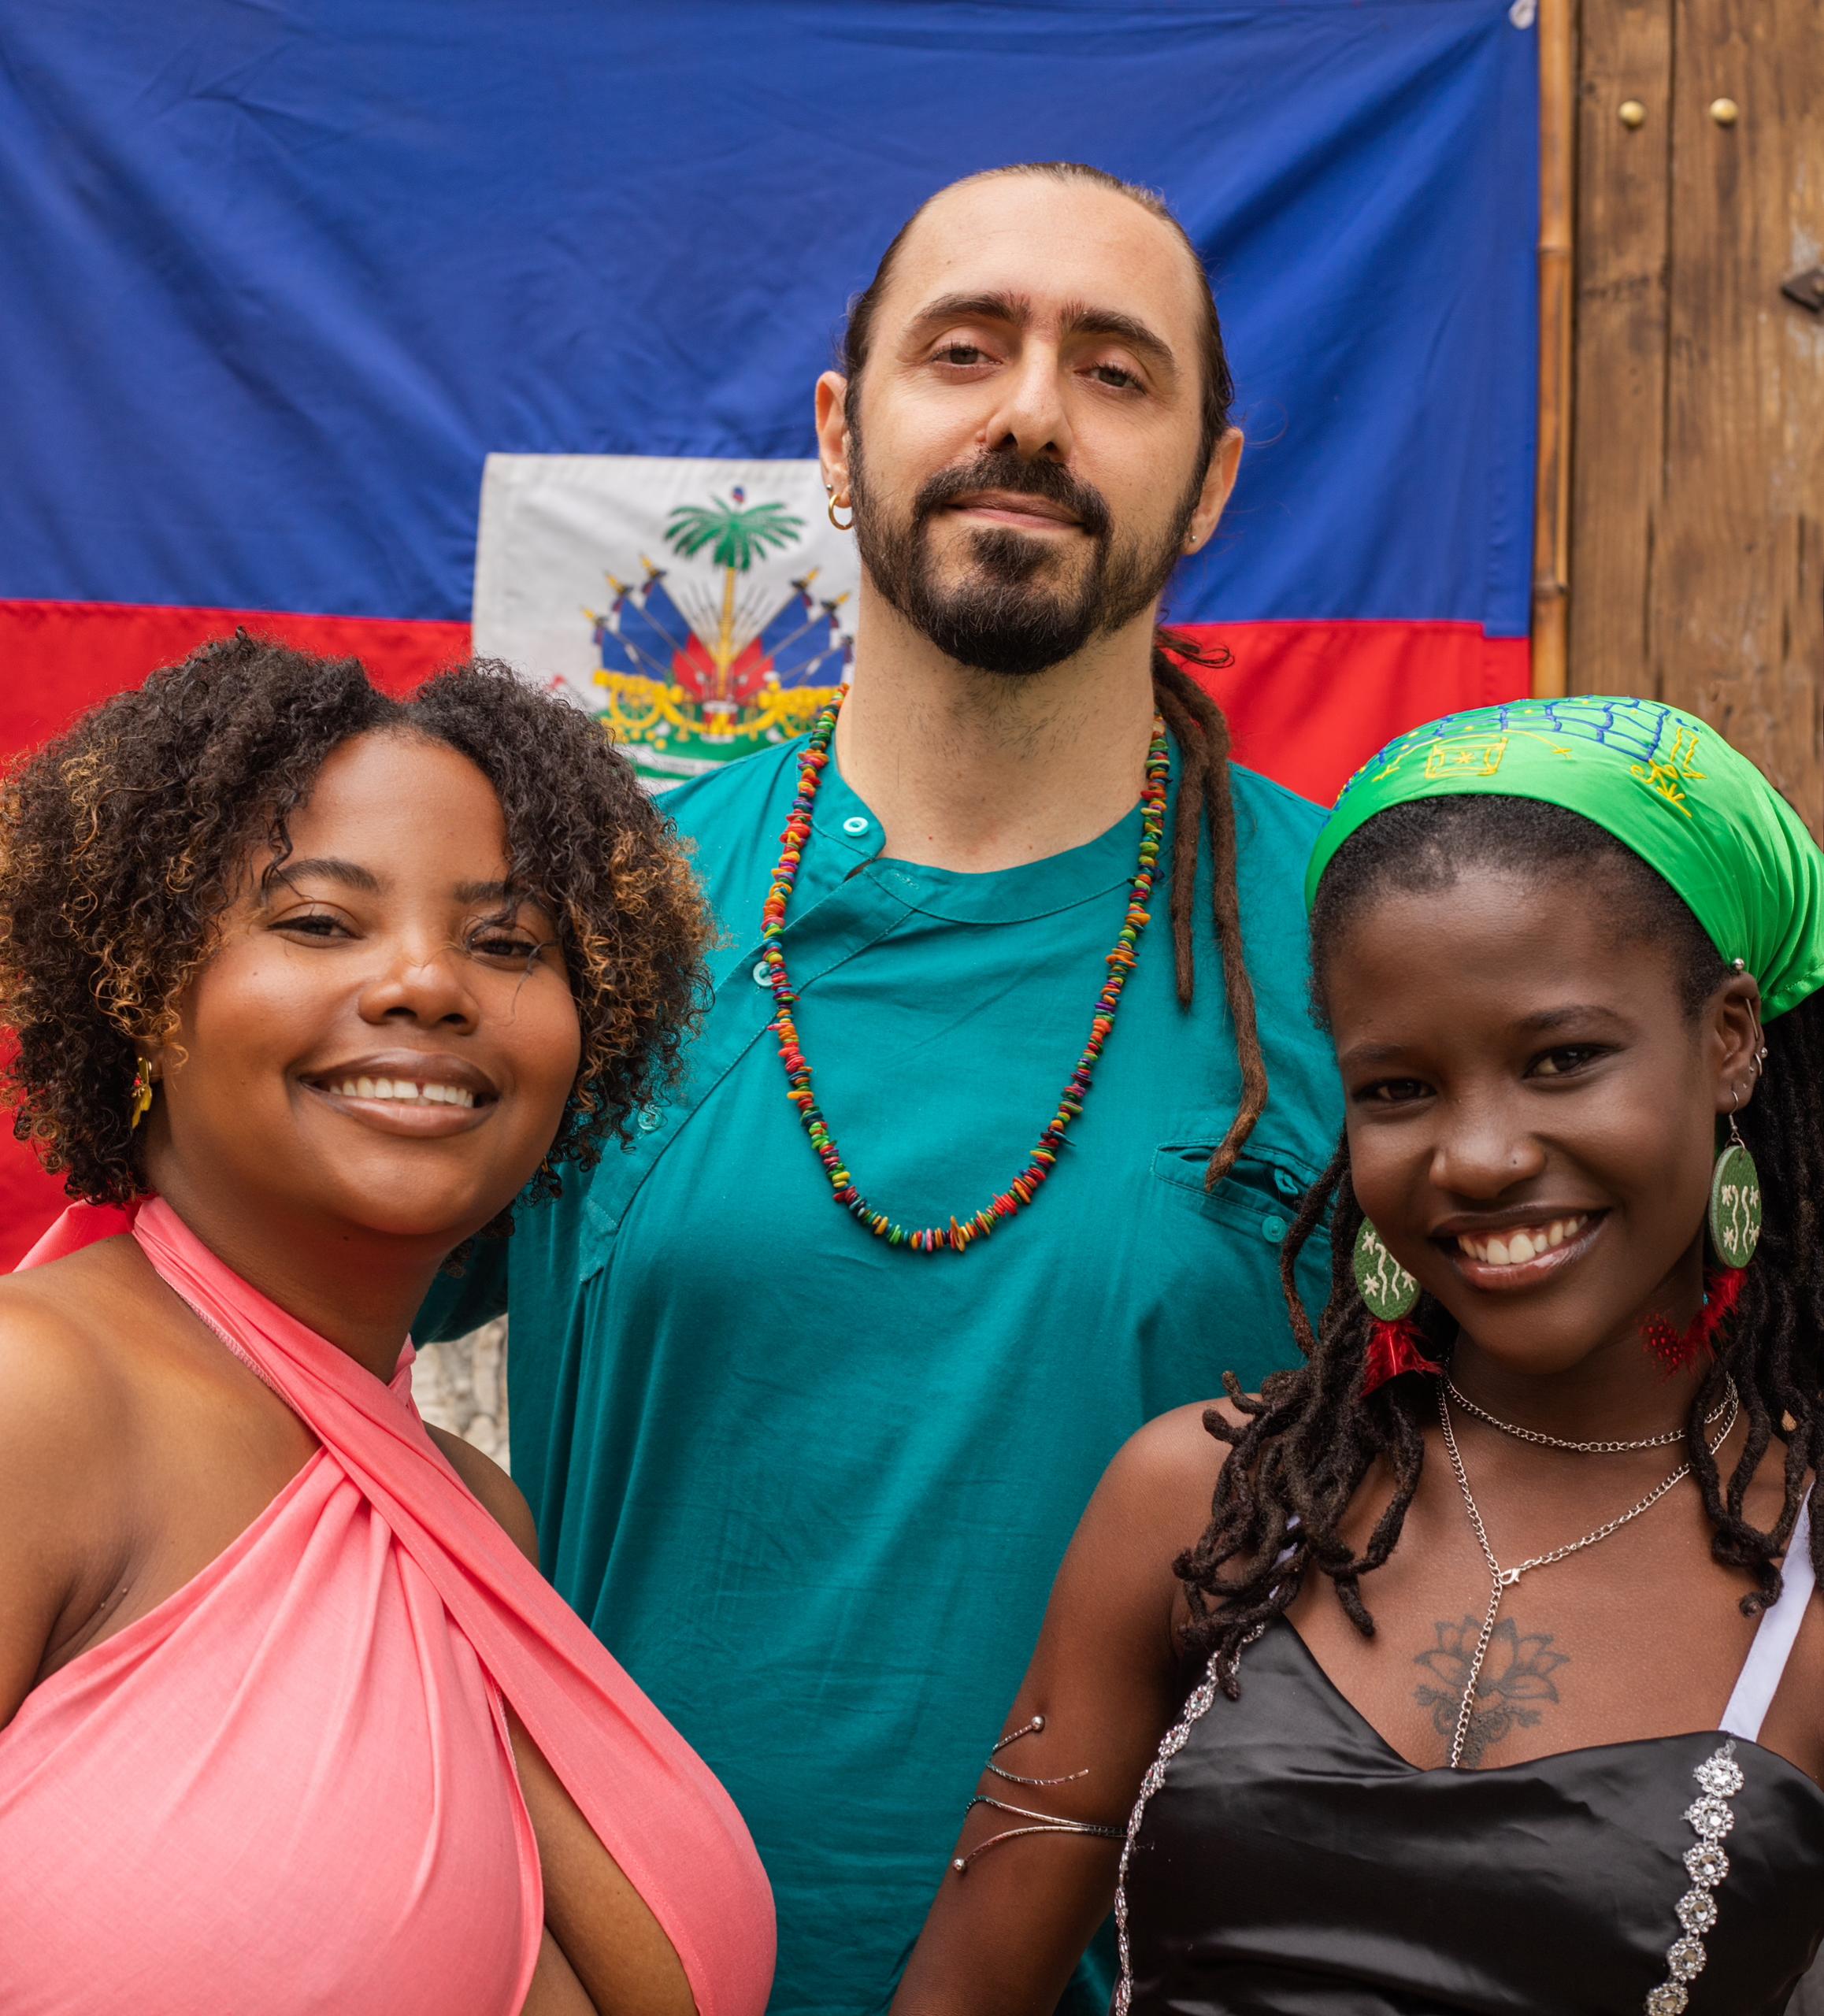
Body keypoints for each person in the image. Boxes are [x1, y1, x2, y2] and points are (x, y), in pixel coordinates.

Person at [419, 161, 1340, 2013]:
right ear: (842, 436)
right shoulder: (594, 922)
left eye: (1114, 370)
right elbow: (229, 1349)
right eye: (966, 347)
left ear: (1213, 480)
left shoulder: (1361, 946)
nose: (1026, 411)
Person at [892, 695, 1824, 2016]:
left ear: (1729, 1038)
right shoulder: (1208, 1502)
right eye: (1398, 1089)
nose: (1481, 1157)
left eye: (1562, 1060)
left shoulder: (1806, 1570)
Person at [0, 636, 774, 2016]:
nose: (431, 983)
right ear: (135, 984)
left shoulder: (475, 1517)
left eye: (506, 943)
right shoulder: (35, 1395)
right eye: (317, 922)